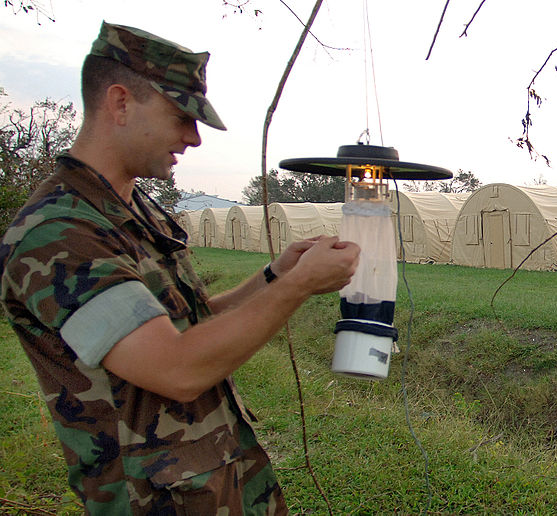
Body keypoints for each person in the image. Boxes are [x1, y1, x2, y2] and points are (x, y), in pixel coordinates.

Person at [0, 21, 359, 515]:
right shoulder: (59, 233)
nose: (194, 139)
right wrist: (296, 288)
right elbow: (176, 367)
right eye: (181, 117)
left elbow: (185, 324)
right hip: (155, 499)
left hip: (214, 478)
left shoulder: (131, 210)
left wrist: (273, 276)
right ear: (121, 103)